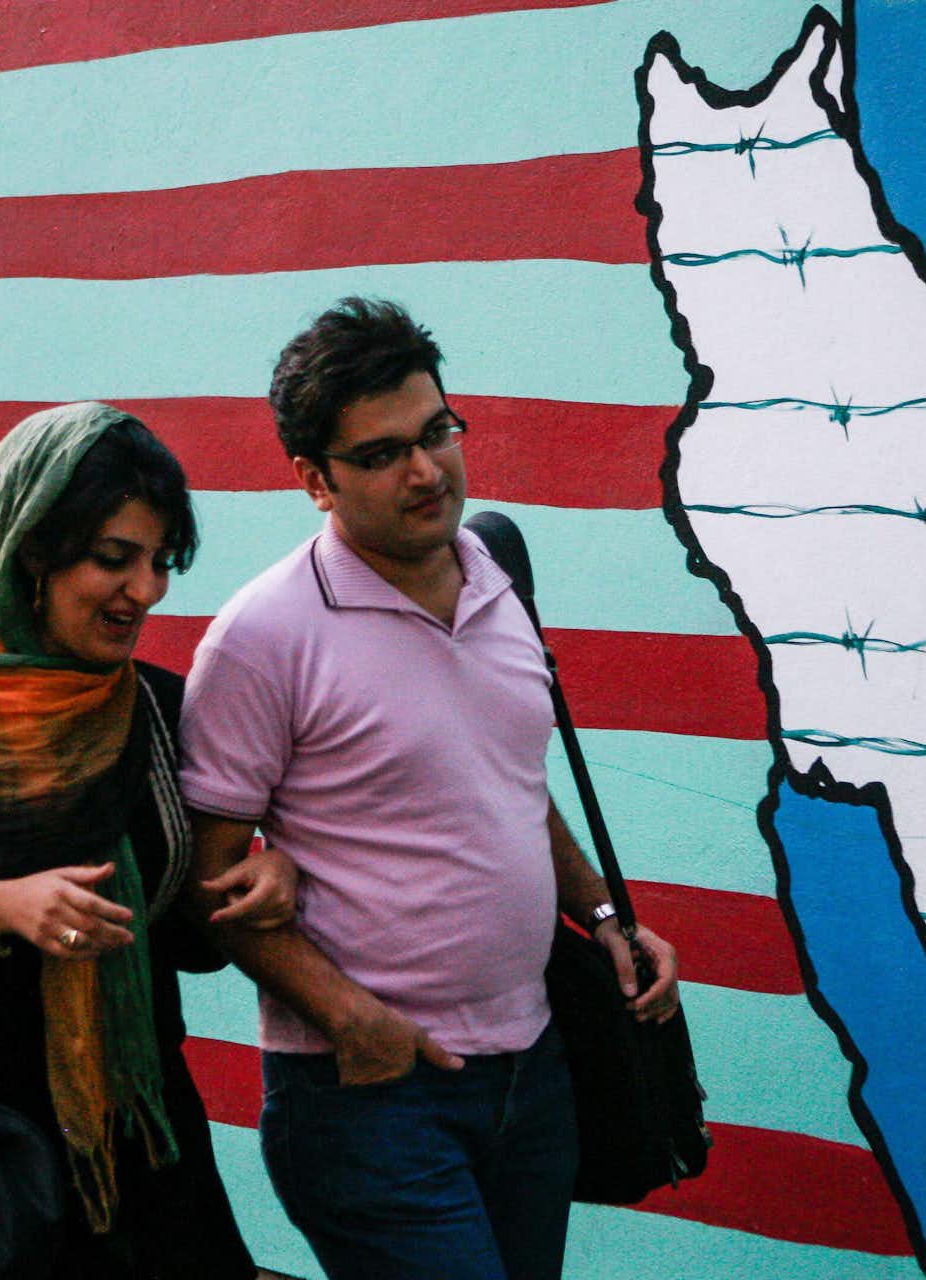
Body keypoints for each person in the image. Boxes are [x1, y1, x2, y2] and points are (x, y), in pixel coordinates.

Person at [178, 299, 682, 1280]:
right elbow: (212, 888)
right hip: (370, 1093)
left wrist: (603, 911)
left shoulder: (495, 575)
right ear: (312, 480)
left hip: (532, 1073)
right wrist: (354, 1020)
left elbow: (507, 781)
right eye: (379, 454)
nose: (424, 470)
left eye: (436, 432)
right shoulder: (262, 636)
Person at [0, 403, 296, 1279]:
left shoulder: (154, 710)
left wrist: (264, 878)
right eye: (114, 559)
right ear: (29, 549)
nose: (142, 591)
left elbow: (185, 942)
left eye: (158, 564)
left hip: (137, 1146)